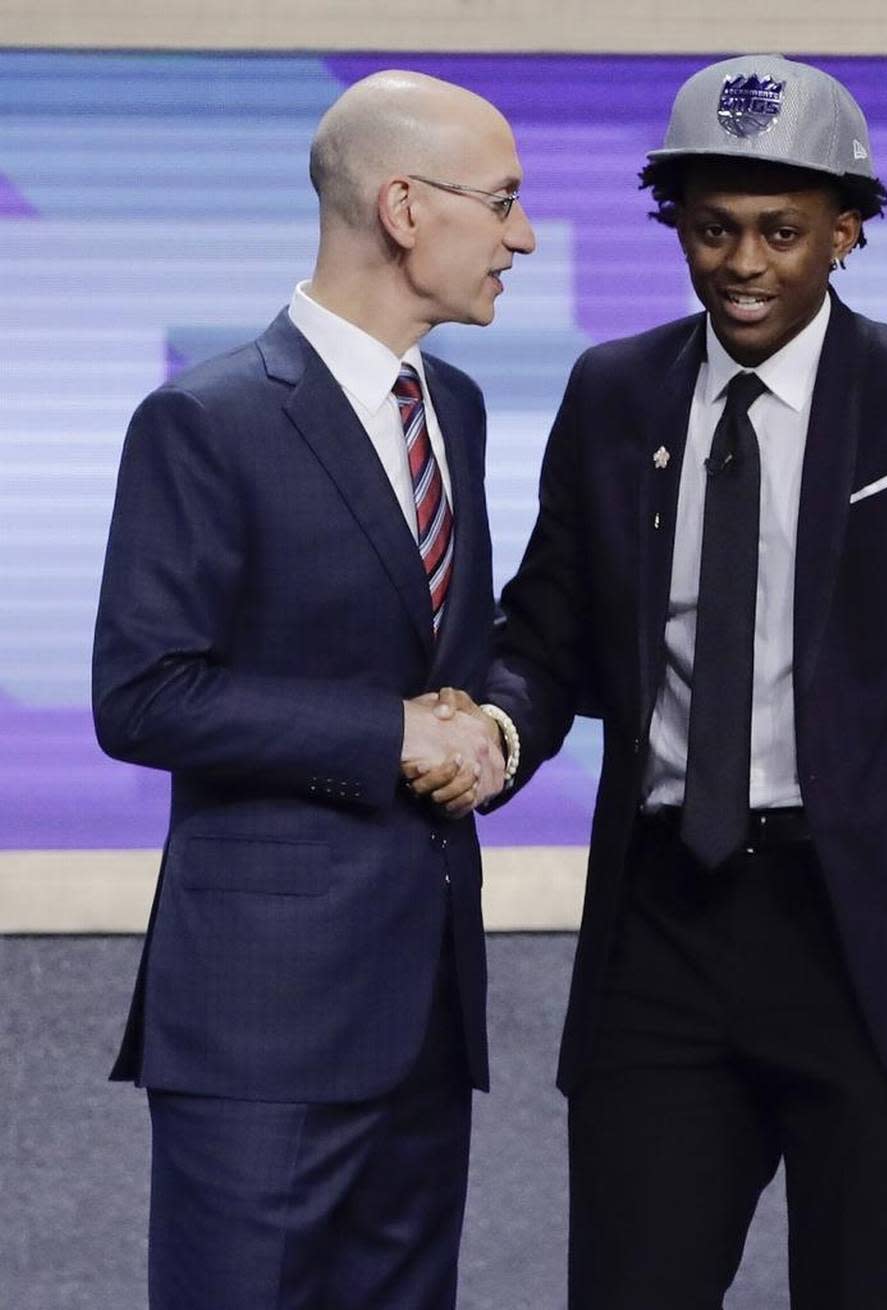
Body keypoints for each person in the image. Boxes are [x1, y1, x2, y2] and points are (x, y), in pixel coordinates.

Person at [420, 54, 887, 1308]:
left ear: (847, 230)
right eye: (712, 229)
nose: (745, 263)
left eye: (782, 230)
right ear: (678, 228)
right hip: (660, 937)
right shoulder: (613, 392)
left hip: (867, 949)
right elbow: (548, 631)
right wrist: (493, 721)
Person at [92, 70, 535, 1310]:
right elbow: (145, 694)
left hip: (426, 1014)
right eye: (502, 203)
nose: (524, 236)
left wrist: (490, 726)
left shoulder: (456, 404)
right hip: (261, 1025)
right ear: (405, 207)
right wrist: (388, 731)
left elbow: (460, 655)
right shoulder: (207, 418)